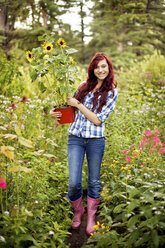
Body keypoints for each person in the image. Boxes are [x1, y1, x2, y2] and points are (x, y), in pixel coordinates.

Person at [50, 53, 118, 235]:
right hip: (76, 138)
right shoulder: (83, 85)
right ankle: (78, 211)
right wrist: (54, 112)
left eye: (104, 66)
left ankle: (91, 217)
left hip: (96, 140)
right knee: (73, 182)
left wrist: (79, 105)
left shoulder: (112, 91)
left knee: (94, 181)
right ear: (92, 69)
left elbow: (97, 120)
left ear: (109, 68)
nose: (100, 70)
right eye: (97, 67)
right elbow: (69, 107)